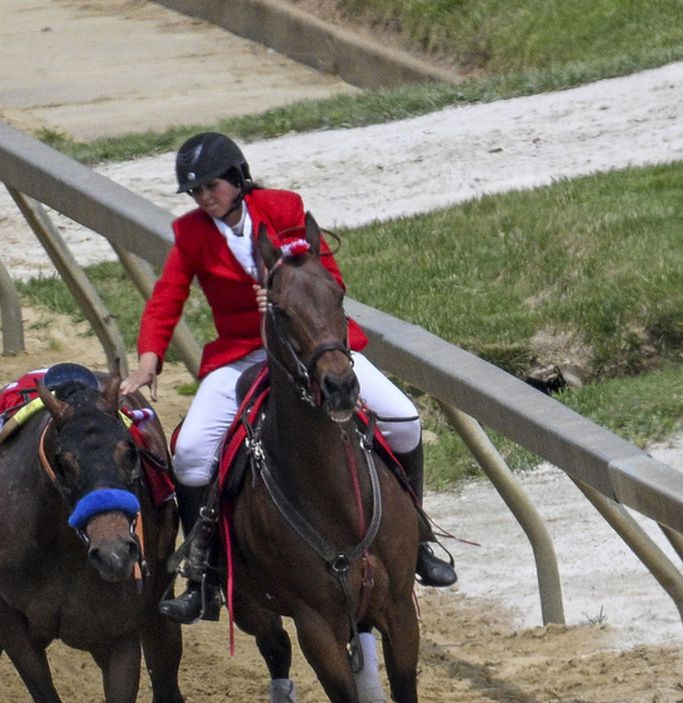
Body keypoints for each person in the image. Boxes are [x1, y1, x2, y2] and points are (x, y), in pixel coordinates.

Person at [120, 131, 456, 624]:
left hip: (311, 345)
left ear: (237, 179)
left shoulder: (283, 206)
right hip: (242, 354)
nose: (204, 198)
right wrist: (149, 357)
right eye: (195, 192)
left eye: (211, 186)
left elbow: (329, 280)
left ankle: (420, 538)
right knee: (191, 454)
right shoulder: (191, 233)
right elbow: (168, 296)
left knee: (404, 421)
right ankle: (203, 575)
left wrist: (285, 291)